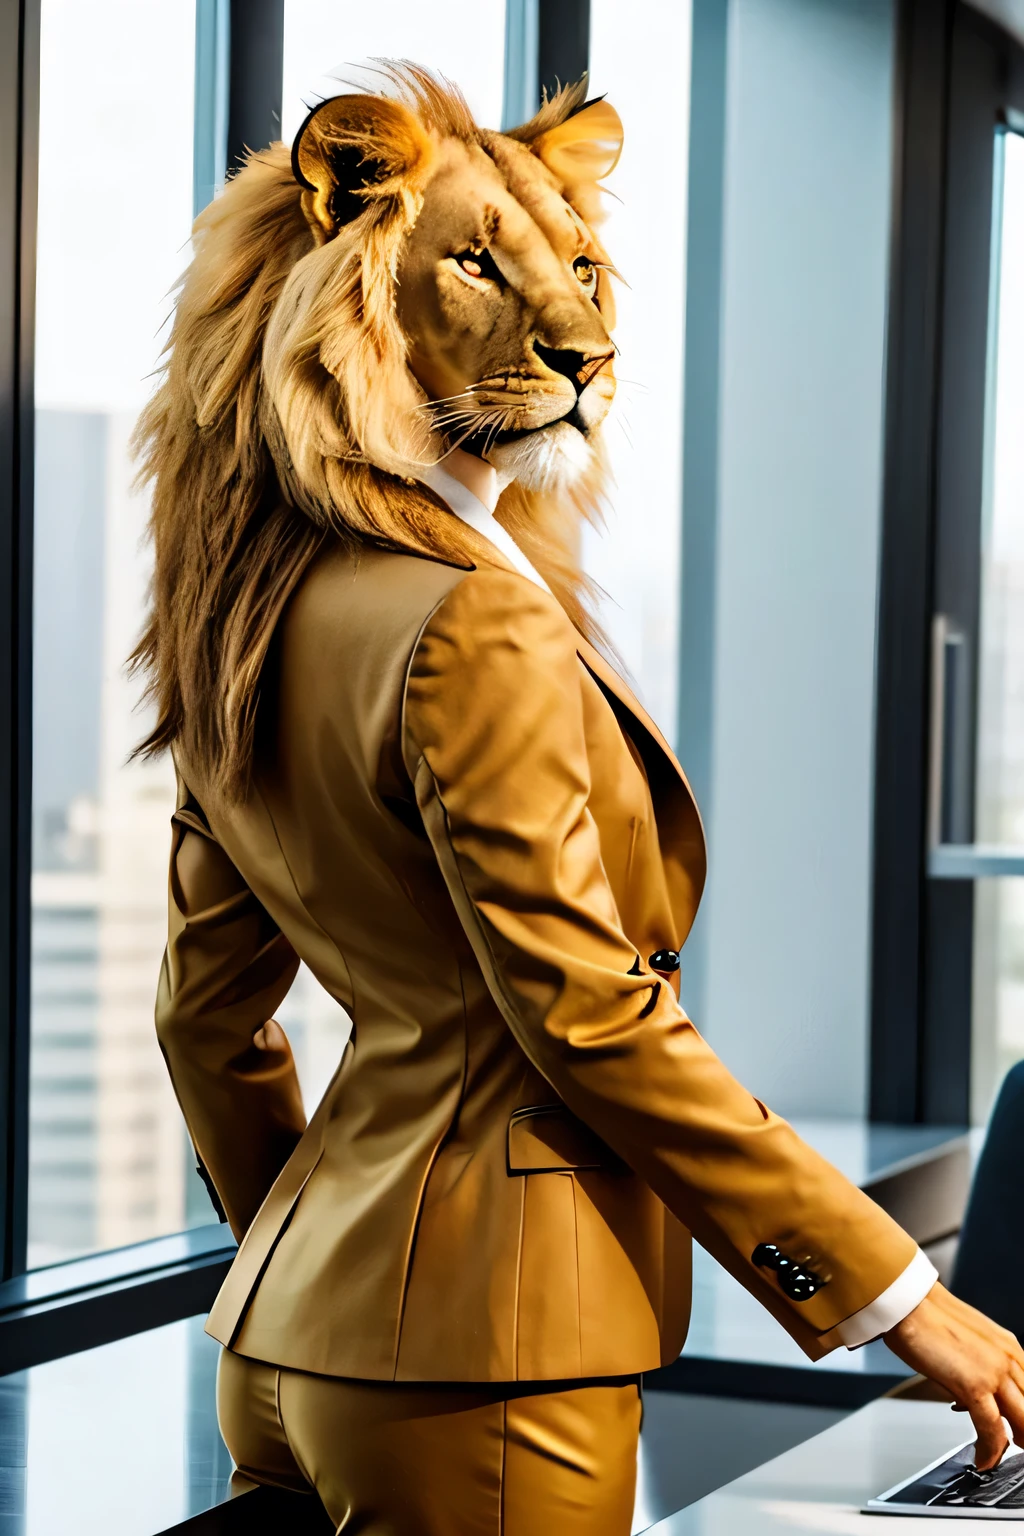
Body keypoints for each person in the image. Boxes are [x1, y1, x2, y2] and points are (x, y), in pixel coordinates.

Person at [136, 65, 1024, 1535]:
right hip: (488, 1363)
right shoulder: (470, 621)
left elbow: (202, 1015)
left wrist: (324, 1262)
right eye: (484, 266)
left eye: (580, 272)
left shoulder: (246, 615)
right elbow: (588, 1012)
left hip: (292, 1351)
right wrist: (895, 1289)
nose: (577, 334)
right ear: (340, 279)